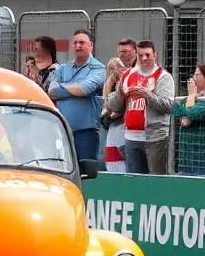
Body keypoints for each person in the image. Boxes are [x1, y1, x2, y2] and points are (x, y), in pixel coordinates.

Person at [107, 40, 174, 175]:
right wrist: (120, 93)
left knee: (156, 179)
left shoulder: (163, 77)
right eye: (140, 55)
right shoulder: (128, 75)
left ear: (155, 55)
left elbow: (168, 106)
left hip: (155, 137)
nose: (144, 58)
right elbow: (113, 105)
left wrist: (147, 95)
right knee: (134, 179)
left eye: (147, 55)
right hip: (131, 137)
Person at [47, 30, 106, 162]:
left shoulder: (98, 69)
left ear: (91, 45)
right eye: (75, 43)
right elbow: (51, 90)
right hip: (63, 132)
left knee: (85, 174)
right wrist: (75, 87)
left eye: (82, 42)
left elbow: (85, 89)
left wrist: (63, 89)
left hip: (86, 133)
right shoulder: (63, 68)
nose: (78, 46)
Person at [171, 63, 205, 176]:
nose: (192, 78)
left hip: (203, 157)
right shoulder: (196, 96)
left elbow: (192, 112)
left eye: (197, 75)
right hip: (185, 157)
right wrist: (191, 99)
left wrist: (190, 98)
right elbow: (176, 111)